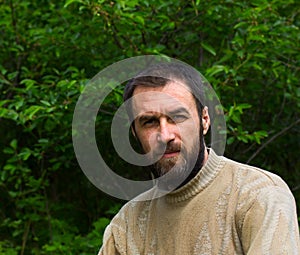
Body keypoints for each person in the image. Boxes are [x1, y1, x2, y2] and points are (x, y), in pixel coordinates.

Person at [98, 62, 300, 254]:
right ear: (135, 133)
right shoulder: (127, 224)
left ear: (204, 121)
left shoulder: (258, 195)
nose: (165, 135)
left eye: (177, 117)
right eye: (149, 122)